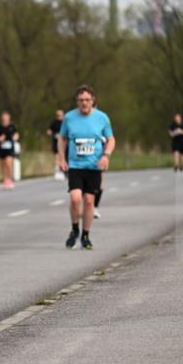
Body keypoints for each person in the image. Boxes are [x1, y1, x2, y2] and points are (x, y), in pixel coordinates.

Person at [57, 84, 115, 250]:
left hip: (94, 165)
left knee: (89, 202)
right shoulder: (69, 118)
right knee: (75, 199)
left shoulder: (102, 118)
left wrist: (106, 155)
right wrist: (62, 159)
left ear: (93, 100)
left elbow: (111, 139)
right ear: (77, 101)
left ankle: (85, 235)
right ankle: (75, 228)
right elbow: (61, 139)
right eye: (81, 100)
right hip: (75, 165)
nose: (84, 103)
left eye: (87, 100)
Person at [0, 112, 18, 189]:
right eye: (4, 117)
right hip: (1, 148)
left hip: (10, 148)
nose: (5, 118)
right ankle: (5, 179)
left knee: (9, 163)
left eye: (7, 117)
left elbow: (16, 134)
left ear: (9, 118)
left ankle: (10, 178)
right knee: (3, 165)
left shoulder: (12, 126)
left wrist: (15, 137)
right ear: (2, 118)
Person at [48, 109, 66, 180]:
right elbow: (49, 130)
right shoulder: (54, 123)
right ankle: (57, 171)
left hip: (65, 142)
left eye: (60, 115)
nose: (59, 116)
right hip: (56, 142)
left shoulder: (65, 123)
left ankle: (64, 170)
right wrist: (51, 133)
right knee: (57, 156)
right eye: (57, 115)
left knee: (63, 156)